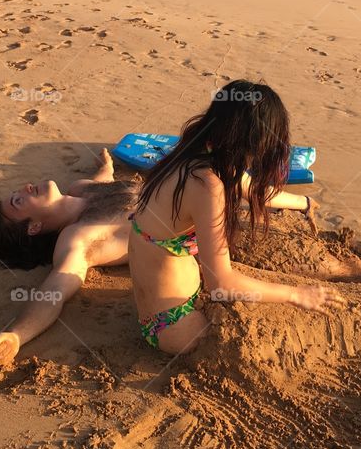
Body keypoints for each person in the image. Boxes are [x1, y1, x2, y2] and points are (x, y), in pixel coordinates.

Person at [0, 146, 319, 366]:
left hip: (215, 220)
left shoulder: (82, 188)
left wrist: (106, 165)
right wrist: (17, 336)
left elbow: (105, 181)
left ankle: (302, 203)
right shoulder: (76, 238)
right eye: (18, 202)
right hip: (209, 253)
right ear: (34, 228)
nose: (25, 189)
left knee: (216, 177)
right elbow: (54, 290)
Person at [128, 80, 344, 355]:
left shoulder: (195, 152)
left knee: (271, 287)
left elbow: (252, 190)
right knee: (296, 326)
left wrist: (304, 203)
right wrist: (297, 295)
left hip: (164, 308)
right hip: (176, 325)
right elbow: (221, 285)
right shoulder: (207, 185)